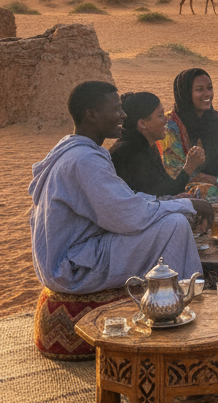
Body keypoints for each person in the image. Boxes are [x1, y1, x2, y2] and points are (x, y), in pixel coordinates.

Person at [30, 81, 208, 294]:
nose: (123, 115)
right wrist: (184, 205)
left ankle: (175, 294)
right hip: (71, 268)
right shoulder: (84, 160)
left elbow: (125, 200)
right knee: (174, 225)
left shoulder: (78, 151)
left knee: (170, 218)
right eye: (116, 109)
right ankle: (182, 298)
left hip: (79, 252)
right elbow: (128, 216)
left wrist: (173, 203)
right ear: (92, 115)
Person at [161, 68, 218, 207]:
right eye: (200, 89)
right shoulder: (170, 125)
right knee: (211, 194)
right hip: (188, 187)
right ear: (186, 93)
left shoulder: (217, 120)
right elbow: (176, 171)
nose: (207, 94)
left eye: (209, 88)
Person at [110, 91, 206, 196]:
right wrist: (189, 167)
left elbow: (167, 186)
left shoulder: (145, 144)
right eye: (160, 115)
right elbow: (161, 194)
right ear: (142, 124)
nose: (166, 120)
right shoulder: (129, 152)